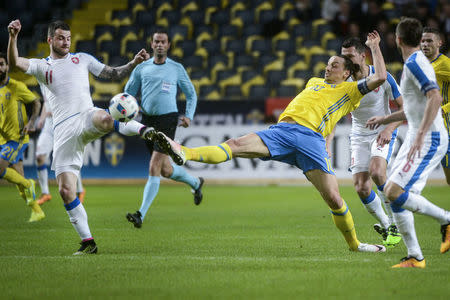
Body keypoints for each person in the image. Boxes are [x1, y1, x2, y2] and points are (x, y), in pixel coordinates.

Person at [155, 31, 389, 253]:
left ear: (346, 73)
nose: (328, 68)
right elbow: (326, 111)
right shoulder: (313, 82)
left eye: (334, 65)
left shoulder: (351, 91)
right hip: (282, 131)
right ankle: (184, 152)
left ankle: (355, 244)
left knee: (334, 199)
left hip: (310, 140)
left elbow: (379, 77)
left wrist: (375, 48)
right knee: (236, 144)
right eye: (327, 64)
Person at [8, 19, 156, 255]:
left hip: (86, 116)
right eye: (60, 38)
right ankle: (88, 243)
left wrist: (133, 63)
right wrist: (13, 37)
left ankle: (143, 130)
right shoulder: (40, 66)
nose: (66, 42)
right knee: (66, 191)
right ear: (50, 40)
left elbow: (112, 73)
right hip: (63, 132)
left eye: (68, 38)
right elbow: (15, 62)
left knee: (107, 119)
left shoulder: (82, 59)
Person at [367, 18, 450, 268]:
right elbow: (414, 108)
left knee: (393, 191)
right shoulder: (414, 63)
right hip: (418, 135)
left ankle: (446, 220)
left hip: (429, 138)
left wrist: (422, 133)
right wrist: (385, 117)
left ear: (397, 39)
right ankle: (415, 256)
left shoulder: (414, 63)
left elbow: (435, 96)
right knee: (395, 193)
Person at [124, 29, 203, 229]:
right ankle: (195, 184)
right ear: (151, 44)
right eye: (156, 41)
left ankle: (140, 214)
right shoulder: (142, 69)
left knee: (154, 166)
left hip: (168, 120)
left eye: (163, 42)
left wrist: (189, 115)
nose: (159, 45)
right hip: (148, 121)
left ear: (168, 45)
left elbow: (191, 94)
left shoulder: (176, 68)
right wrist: (129, 109)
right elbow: (128, 93)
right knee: (166, 170)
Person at [340, 37, 404, 247]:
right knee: (361, 188)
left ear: (362, 55)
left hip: (381, 131)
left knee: (377, 172)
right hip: (358, 134)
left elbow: (407, 110)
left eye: (349, 56)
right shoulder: (343, 82)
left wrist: (388, 127)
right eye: (343, 56)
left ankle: (395, 223)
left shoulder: (383, 77)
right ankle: (387, 226)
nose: (345, 59)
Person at [0, 51, 44, 222]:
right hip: (3, 139)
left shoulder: (16, 86)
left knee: (1, 169)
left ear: (7, 66)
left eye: (1, 63)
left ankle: (29, 184)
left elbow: (36, 102)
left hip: (16, 138)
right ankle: (37, 210)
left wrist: (32, 122)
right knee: (19, 183)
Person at [35, 85, 86, 206]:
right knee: (39, 157)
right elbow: (46, 103)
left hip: (64, 125)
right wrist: (42, 118)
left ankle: (79, 190)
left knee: (69, 160)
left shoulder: (62, 77)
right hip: (48, 126)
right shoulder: (42, 79)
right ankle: (45, 193)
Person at [420, 27, 450, 185]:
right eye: (423, 41)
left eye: (429, 40)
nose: (425, 44)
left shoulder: (445, 65)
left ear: (439, 43)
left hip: (447, 124)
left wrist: (444, 109)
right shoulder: (420, 63)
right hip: (432, 124)